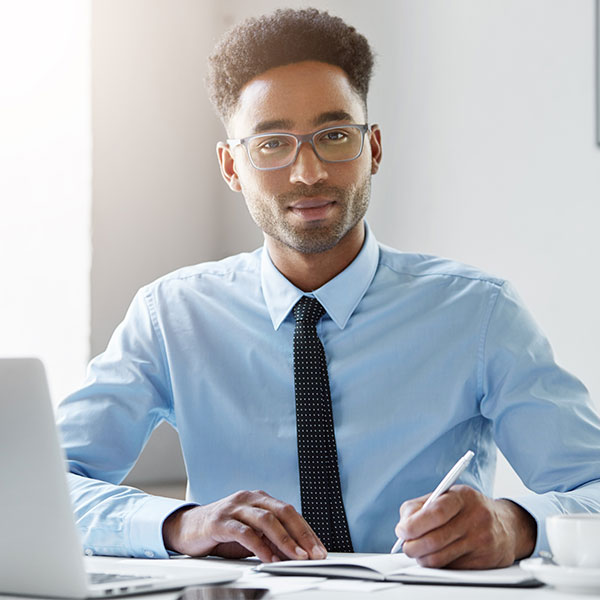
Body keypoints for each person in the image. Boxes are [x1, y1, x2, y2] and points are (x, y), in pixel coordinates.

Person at [57, 8, 600, 569]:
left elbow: (595, 488)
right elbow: (37, 487)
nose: (307, 173)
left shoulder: (480, 314)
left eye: (335, 136)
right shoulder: (171, 316)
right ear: (231, 167)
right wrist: (179, 523)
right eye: (271, 145)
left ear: (374, 149)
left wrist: (520, 526)